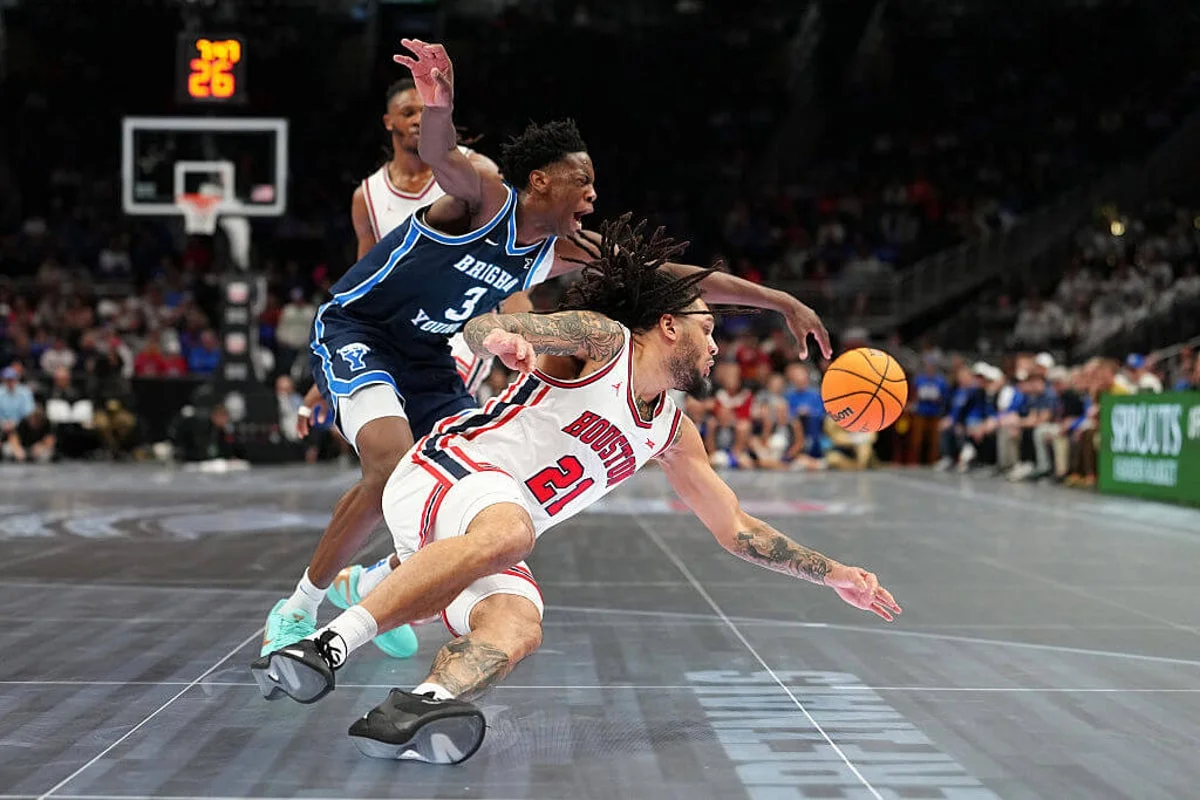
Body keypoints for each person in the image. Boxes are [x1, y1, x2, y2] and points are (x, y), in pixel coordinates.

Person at [251, 216, 899, 764]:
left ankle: (418, 709)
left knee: (520, 619)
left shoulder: (672, 431)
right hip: (444, 470)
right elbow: (484, 329)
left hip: (480, 525)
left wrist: (835, 574)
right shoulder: (603, 341)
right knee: (512, 531)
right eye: (707, 329)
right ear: (669, 325)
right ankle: (326, 646)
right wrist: (505, 338)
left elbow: (737, 528)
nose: (715, 347)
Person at [262, 40, 832, 659]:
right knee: (388, 466)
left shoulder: (560, 250)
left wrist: (779, 301)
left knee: (458, 477)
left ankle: (374, 581)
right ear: (540, 180)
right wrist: (438, 102)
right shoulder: (486, 199)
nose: (592, 195)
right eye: (582, 180)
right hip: (360, 329)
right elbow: (440, 155)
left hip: (426, 349)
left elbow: (672, 275)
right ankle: (298, 609)